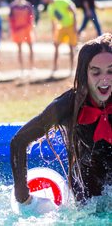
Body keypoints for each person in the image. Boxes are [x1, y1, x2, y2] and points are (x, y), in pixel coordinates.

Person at [11, 33, 111, 212]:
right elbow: (19, 141)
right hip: (87, 201)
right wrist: (23, 197)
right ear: (84, 74)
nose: (104, 79)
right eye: (96, 72)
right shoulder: (66, 106)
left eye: (111, 71)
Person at [41, 0, 78, 73]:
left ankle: (72, 68)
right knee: (56, 45)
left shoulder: (61, 0)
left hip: (70, 25)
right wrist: (54, 35)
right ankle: (55, 67)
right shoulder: (50, 7)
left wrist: (75, 25)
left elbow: (73, 10)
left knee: (71, 46)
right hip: (61, 27)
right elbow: (53, 23)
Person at [9, 0, 35, 76]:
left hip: (27, 30)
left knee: (30, 48)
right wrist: (12, 31)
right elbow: (11, 20)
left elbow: (31, 18)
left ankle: (31, 67)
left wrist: (31, 28)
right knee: (19, 49)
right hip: (18, 31)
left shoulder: (27, 5)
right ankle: (22, 68)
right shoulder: (13, 6)